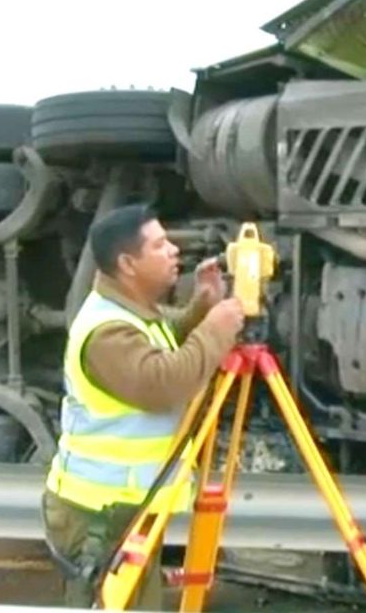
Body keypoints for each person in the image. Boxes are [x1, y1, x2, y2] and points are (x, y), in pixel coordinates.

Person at [42, 203, 245, 610]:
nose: (174, 251)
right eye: (159, 245)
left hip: (125, 510)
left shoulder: (131, 313)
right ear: (127, 264)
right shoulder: (107, 332)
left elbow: (163, 337)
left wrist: (202, 307)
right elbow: (162, 382)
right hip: (97, 516)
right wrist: (217, 330)